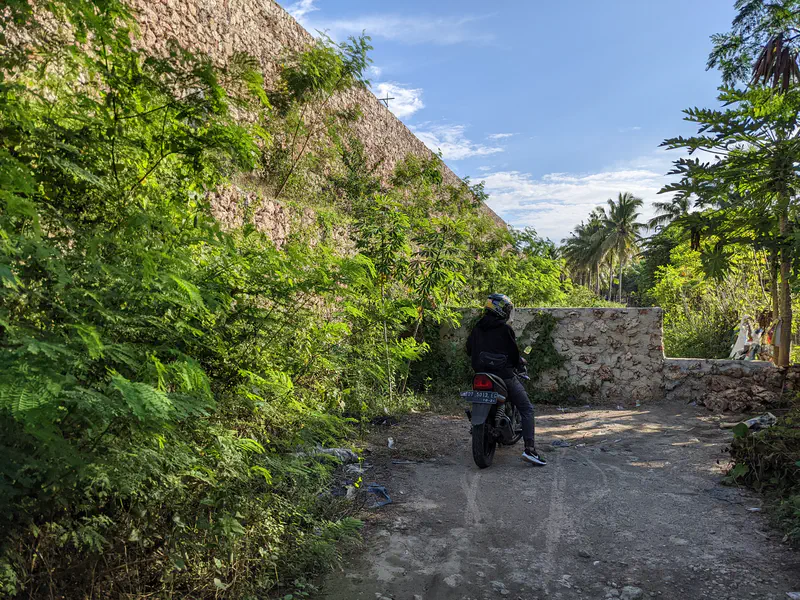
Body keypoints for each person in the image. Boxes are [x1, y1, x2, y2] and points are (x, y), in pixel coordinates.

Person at [465, 293, 546, 466]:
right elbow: (514, 354)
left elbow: (468, 349)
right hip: (504, 375)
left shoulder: (477, 327)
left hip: (480, 375)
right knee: (527, 408)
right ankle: (530, 450)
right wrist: (519, 362)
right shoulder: (505, 329)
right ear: (501, 310)